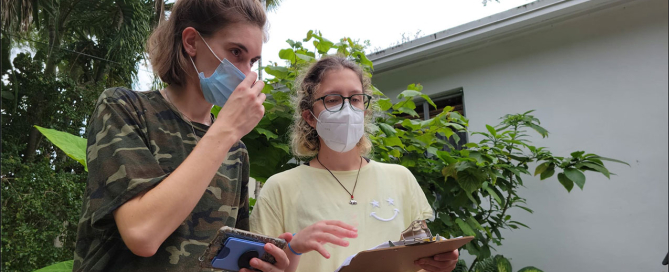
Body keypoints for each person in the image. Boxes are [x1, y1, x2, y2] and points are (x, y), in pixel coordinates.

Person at [72, 0, 291, 271]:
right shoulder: (124, 107)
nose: (246, 73)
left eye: (253, 61)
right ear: (191, 42)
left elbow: (228, 260)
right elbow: (142, 234)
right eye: (236, 52)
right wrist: (225, 130)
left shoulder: (236, 151)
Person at [250, 56, 459, 272]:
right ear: (310, 117)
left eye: (356, 99)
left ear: (365, 110)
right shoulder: (279, 188)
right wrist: (292, 249)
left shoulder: (401, 178)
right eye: (333, 99)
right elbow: (260, 266)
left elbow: (420, 259)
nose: (347, 109)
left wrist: (439, 264)